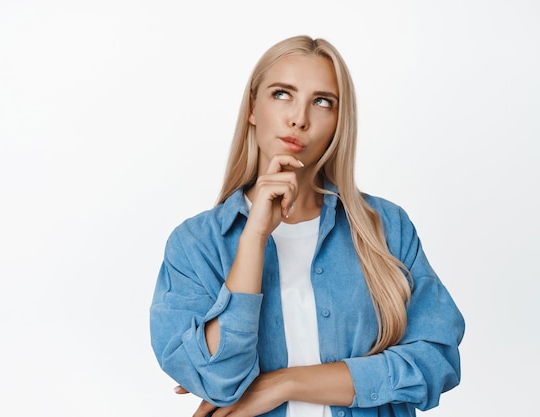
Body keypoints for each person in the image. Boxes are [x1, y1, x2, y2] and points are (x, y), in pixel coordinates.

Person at [150, 35, 464, 417]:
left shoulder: (386, 227)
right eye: (282, 94)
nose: (299, 118)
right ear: (252, 107)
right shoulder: (196, 244)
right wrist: (253, 237)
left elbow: (435, 359)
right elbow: (219, 380)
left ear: (338, 121)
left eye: (322, 102)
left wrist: (284, 383)